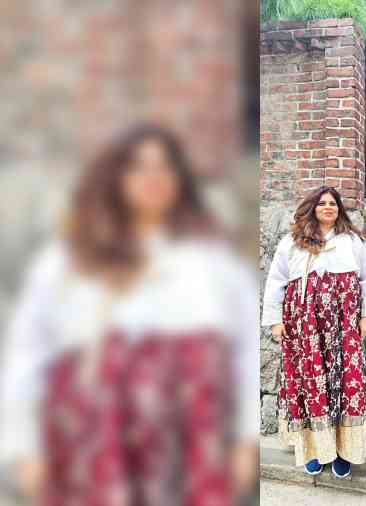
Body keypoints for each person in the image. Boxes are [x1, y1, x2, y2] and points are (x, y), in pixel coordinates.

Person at [0, 123, 259, 504]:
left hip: (192, 442)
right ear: (115, 177)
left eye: (164, 166)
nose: (153, 177)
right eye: (138, 166)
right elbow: (29, 350)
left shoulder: (211, 259)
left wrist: (246, 440)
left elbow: (247, 348)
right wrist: (24, 447)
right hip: (90, 440)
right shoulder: (69, 258)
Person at [261, 186, 366, 479]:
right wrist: (276, 321)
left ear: (339, 209)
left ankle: (343, 451)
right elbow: (276, 281)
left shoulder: (353, 241)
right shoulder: (293, 241)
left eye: (333, 204)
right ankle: (314, 448)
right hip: (305, 327)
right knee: (311, 383)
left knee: (343, 383)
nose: (328, 207)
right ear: (313, 207)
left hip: (343, 326)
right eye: (322, 203)